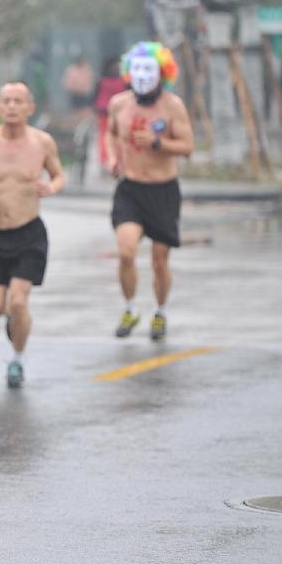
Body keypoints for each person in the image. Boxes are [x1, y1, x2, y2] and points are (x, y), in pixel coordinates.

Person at [0, 82, 65, 388]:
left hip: (29, 233)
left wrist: (51, 187)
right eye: (6, 100)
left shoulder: (42, 142)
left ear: (29, 108)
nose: (11, 106)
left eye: (18, 101)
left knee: (19, 302)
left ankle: (17, 361)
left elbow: (59, 175)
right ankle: (13, 319)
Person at [105, 41, 193, 341]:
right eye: (137, 69)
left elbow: (187, 147)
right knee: (126, 253)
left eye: (149, 70)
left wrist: (158, 144)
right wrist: (113, 157)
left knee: (159, 260)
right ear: (129, 71)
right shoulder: (119, 103)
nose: (142, 76)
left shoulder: (173, 106)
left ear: (162, 72)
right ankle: (130, 308)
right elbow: (111, 132)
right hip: (130, 189)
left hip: (163, 190)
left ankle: (160, 312)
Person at [94, 56, 126, 172]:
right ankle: (118, 161)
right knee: (117, 135)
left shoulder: (101, 81)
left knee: (104, 135)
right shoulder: (122, 81)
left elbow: (95, 96)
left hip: (104, 110)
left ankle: (105, 160)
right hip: (117, 111)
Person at [62, 54, 96, 125]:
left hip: (85, 94)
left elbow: (89, 81)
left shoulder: (87, 69)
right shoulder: (71, 70)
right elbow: (68, 82)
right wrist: (73, 89)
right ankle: (75, 125)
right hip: (75, 94)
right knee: (75, 111)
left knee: (85, 111)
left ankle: (84, 125)